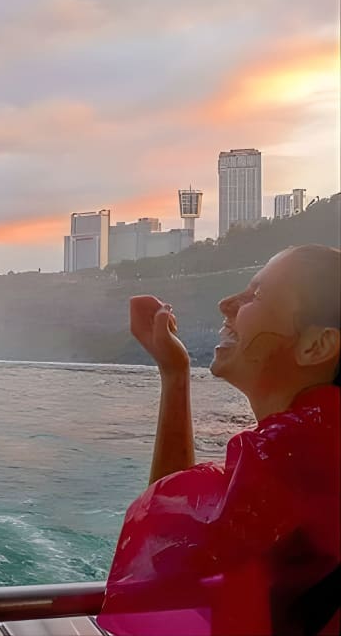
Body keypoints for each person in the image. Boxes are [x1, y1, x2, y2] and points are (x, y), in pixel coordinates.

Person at [97, 244, 340, 636]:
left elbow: (168, 552)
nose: (227, 304)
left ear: (316, 346)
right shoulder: (318, 441)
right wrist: (174, 373)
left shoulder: (296, 453)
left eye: (255, 295)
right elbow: (184, 515)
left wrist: (174, 376)